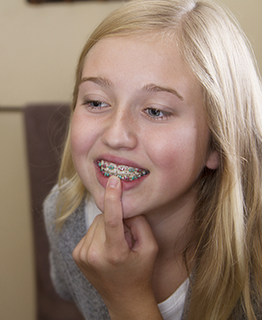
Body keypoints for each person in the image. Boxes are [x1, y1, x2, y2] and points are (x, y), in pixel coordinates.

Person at [43, 0, 262, 319]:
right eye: (96, 102)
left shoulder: (254, 259)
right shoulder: (65, 216)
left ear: (217, 143)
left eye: (155, 111)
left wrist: (128, 300)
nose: (116, 135)